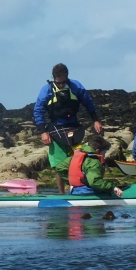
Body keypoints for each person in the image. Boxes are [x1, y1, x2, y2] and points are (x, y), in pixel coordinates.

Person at [33, 63, 103, 194]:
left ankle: (82, 189)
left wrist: (96, 120)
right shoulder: (46, 90)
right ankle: (61, 193)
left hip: (74, 128)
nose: (60, 85)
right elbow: (38, 111)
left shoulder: (75, 86)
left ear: (67, 77)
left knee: (80, 160)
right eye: (58, 83)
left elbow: (88, 103)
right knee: (59, 166)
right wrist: (43, 132)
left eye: (63, 82)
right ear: (54, 78)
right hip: (55, 130)